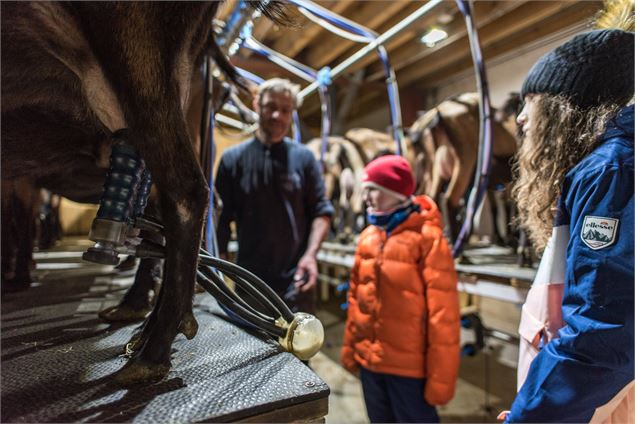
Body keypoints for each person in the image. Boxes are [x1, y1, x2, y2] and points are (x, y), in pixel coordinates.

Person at [502, 29, 634, 422]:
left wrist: (531, 415)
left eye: (532, 102)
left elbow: (603, 329)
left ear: (566, 107)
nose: (521, 117)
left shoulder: (610, 171)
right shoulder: (603, 168)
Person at [341, 155, 460, 423]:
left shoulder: (427, 239)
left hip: (409, 371)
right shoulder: (368, 237)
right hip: (371, 364)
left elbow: (443, 316)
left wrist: (441, 380)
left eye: (372, 188)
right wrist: (351, 350)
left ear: (393, 191)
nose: (365, 195)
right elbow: (356, 299)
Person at [215, 78, 334, 313]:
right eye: (271, 107)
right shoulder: (232, 160)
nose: (278, 116)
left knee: (297, 347)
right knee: (252, 345)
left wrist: (311, 256)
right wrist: (219, 263)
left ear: (292, 114)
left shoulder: (304, 159)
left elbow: (321, 211)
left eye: (285, 110)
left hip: (297, 279)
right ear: (257, 104)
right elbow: (221, 217)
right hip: (249, 281)